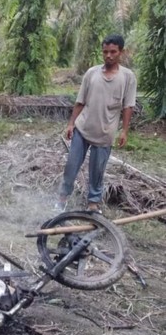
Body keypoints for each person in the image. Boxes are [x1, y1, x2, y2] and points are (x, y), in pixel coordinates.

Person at [56, 34, 137, 212]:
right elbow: (80, 101)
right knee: (71, 166)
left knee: (97, 171)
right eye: (105, 52)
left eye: (113, 52)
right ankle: (61, 200)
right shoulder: (92, 73)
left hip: (105, 132)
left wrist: (124, 131)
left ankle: (93, 204)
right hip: (82, 128)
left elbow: (128, 106)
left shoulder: (128, 77)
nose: (108, 55)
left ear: (121, 52)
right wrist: (71, 124)